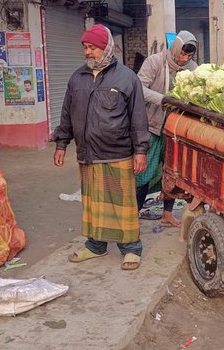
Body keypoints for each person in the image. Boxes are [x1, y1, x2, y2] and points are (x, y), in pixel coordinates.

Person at [52, 24, 150, 271]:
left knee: (122, 204)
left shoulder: (127, 78)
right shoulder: (77, 78)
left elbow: (138, 117)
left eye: (92, 48)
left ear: (105, 48)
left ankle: (131, 249)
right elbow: (67, 113)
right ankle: (95, 246)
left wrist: (141, 150)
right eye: (85, 48)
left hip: (117, 153)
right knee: (93, 203)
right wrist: (61, 143)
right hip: (88, 154)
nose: (88, 52)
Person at [136, 31, 198, 227]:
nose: (184, 59)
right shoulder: (154, 62)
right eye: (182, 54)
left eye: (188, 56)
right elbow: (139, 87)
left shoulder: (192, 69)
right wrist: (163, 99)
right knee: (144, 171)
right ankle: (133, 213)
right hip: (152, 125)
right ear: (175, 48)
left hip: (176, 130)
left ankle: (167, 214)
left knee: (172, 171)